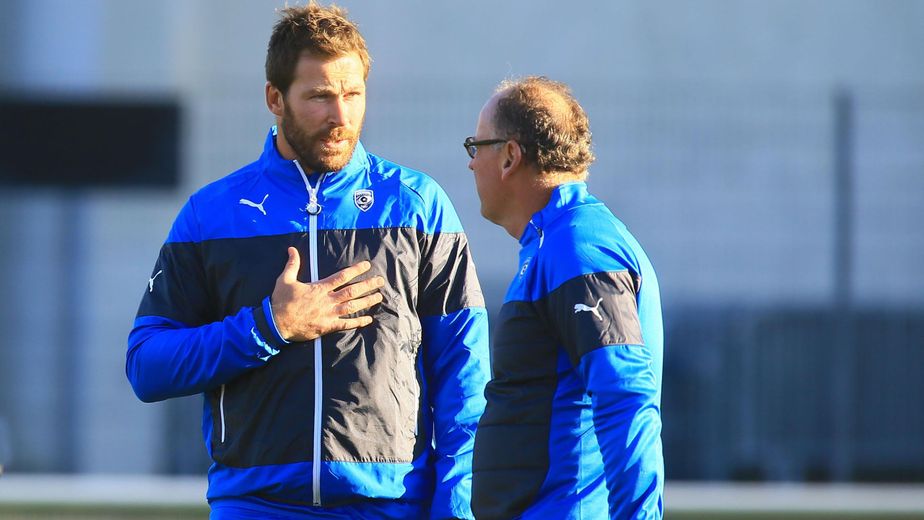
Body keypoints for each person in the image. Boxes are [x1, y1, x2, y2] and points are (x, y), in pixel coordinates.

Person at [126, 4, 490, 519]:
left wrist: (458, 508)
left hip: (388, 506)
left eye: (353, 94)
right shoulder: (211, 215)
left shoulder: (417, 206)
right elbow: (147, 365)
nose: (341, 116)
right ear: (275, 99)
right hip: (256, 506)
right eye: (320, 96)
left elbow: (465, 377)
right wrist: (269, 326)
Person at [466, 76, 664, 519]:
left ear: (510, 156)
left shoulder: (579, 246)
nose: (471, 163)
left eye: (476, 146)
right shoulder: (554, 242)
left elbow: (625, 399)